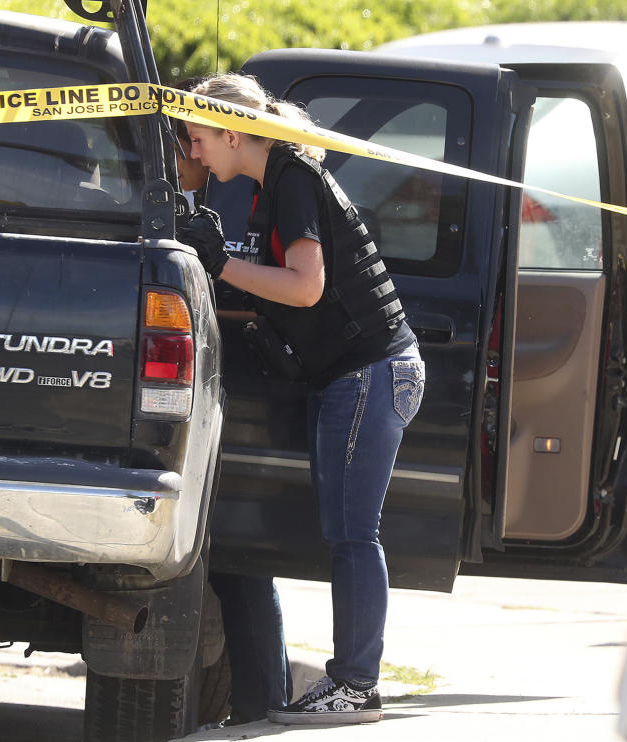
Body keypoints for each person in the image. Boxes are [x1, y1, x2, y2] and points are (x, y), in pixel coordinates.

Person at [177, 73, 425, 725]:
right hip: (359, 373)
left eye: (199, 138)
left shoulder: (290, 179)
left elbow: (307, 286)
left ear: (232, 133)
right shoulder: (277, 179)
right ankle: (350, 678)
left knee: (352, 537)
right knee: (345, 533)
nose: (195, 152)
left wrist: (220, 265)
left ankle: (356, 684)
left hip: (370, 372)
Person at [172, 78, 295, 727]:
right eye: (184, 140)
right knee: (219, 563)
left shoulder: (257, 190)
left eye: (192, 139)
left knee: (241, 556)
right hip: (185, 397)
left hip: (239, 389)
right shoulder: (177, 200)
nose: (189, 150)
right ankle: (252, 698)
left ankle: (261, 700)